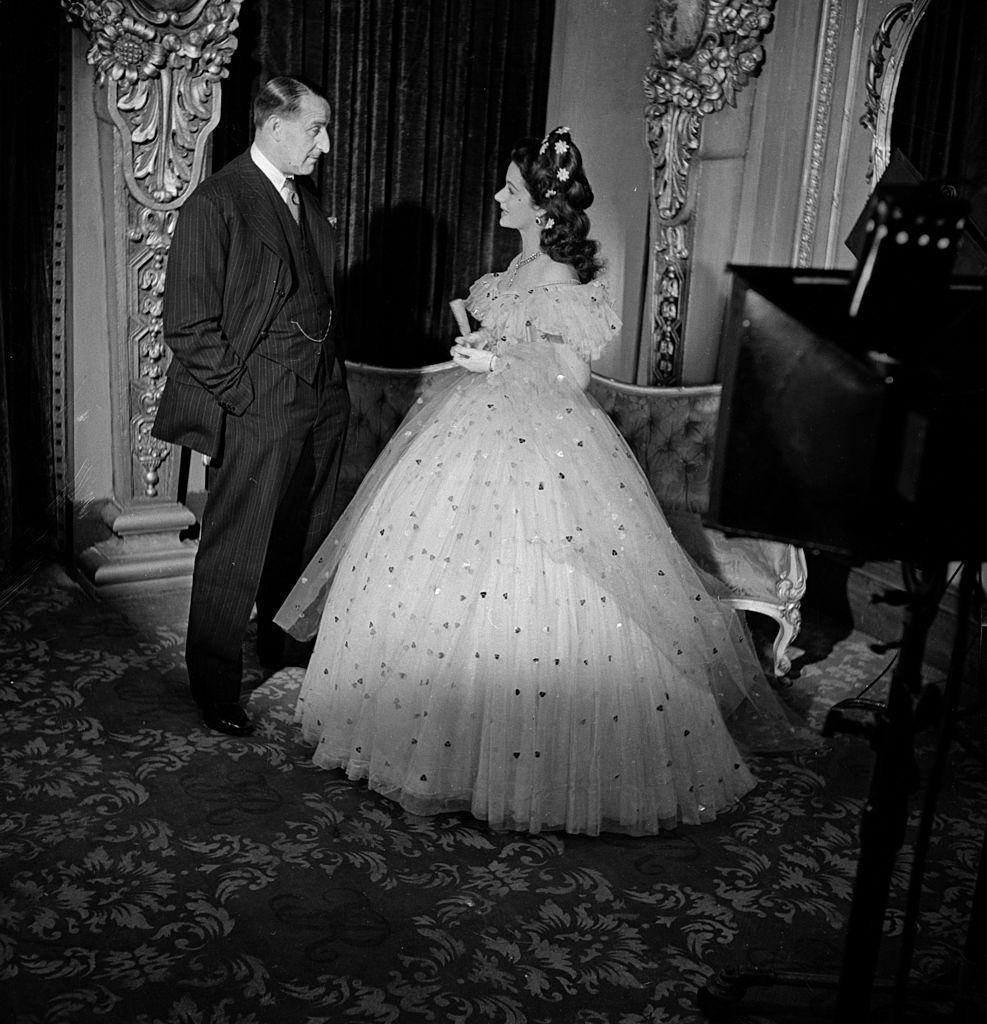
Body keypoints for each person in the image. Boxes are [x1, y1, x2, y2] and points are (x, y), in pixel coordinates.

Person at [275, 127, 799, 835]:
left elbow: (573, 376)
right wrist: (477, 350)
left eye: (511, 191)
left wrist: (504, 361)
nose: (497, 196)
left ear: (544, 210)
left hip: (545, 450)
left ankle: (519, 768)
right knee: (429, 567)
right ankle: (424, 743)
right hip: (471, 430)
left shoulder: (555, 278)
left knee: (531, 586)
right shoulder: (511, 272)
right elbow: (509, 343)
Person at [153, 76, 351, 737]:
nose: (325, 144)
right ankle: (215, 687)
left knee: (303, 527)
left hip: (321, 395)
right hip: (262, 400)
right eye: (315, 129)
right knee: (237, 541)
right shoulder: (219, 202)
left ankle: (282, 644)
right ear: (273, 127)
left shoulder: (303, 198)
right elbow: (186, 325)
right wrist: (245, 399)